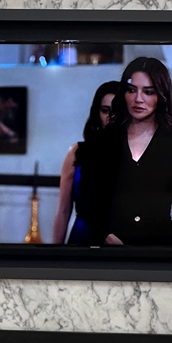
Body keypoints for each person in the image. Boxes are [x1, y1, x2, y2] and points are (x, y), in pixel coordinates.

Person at [102, 57, 172, 246]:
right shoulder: (106, 140)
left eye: (148, 92)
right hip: (109, 248)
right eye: (132, 90)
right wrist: (106, 235)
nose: (138, 99)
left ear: (161, 95)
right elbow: (91, 198)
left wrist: (158, 246)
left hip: (159, 252)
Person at [51, 80, 122, 245]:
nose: (110, 117)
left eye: (116, 112)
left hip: (118, 240)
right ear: (97, 112)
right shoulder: (77, 152)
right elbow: (63, 211)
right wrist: (53, 253)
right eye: (105, 111)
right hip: (82, 238)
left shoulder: (134, 154)